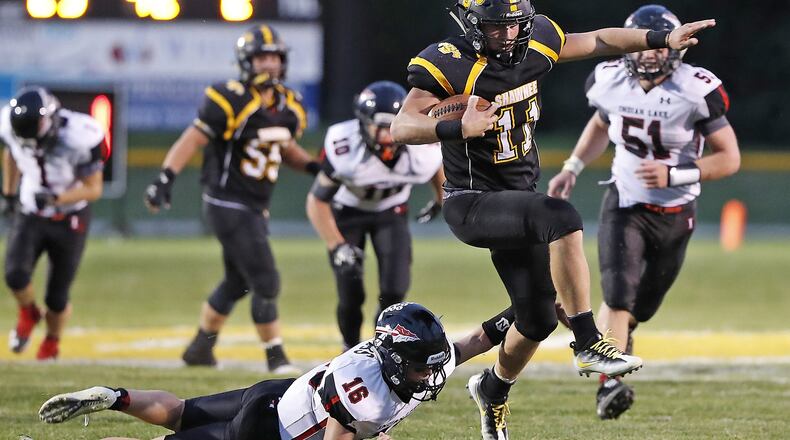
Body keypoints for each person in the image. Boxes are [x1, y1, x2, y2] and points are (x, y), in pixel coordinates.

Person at [391, 0, 715, 437]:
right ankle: (587, 340)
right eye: (495, 27)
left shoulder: (536, 39)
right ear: (470, 24)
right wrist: (455, 128)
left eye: (514, 26)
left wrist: (661, 38)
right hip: (471, 200)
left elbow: (600, 39)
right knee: (561, 217)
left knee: (537, 319)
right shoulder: (449, 61)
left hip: (520, 201)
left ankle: (492, 390)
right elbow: (402, 127)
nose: (508, 35)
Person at [547, 4, 740, 420]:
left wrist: (677, 172)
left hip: (676, 211)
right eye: (643, 47)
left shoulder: (697, 89)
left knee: (640, 310)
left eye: (657, 48)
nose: (649, 56)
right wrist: (572, 167)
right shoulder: (609, 80)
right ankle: (609, 384)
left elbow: (730, 158)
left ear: (674, 49)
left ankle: (620, 340)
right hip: (625, 201)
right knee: (617, 295)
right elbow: (602, 123)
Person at [38, 302, 516, 440]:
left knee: (184, 411)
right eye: (419, 368)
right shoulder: (366, 392)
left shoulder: (401, 363)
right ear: (394, 359)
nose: (428, 376)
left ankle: (115, 396)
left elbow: (475, 341)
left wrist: (527, 309)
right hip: (268, 430)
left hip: (278, 394)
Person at [143, 24, 321, 373]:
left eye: (273, 57)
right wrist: (165, 178)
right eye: (260, 58)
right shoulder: (230, 97)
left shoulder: (289, 105)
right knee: (266, 280)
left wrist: (316, 167)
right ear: (246, 62)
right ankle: (276, 357)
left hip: (255, 206)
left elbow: (284, 148)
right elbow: (192, 138)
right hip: (227, 202)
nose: (268, 64)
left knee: (237, 281)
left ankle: (199, 348)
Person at [306, 80, 445, 351]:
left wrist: (440, 200)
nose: (386, 135)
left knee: (395, 289)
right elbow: (317, 201)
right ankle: (349, 348)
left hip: (390, 213)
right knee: (350, 289)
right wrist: (337, 246)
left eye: (391, 126)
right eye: (379, 126)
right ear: (362, 123)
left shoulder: (421, 149)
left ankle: (381, 345)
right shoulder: (345, 146)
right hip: (347, 213)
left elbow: (435, 168)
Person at [0, 86, 105, 360]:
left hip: (71, 215)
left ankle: (51, 342)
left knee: (57, 297)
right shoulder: (9, 126)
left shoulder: (81, 135)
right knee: (15, 274)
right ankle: (29, 313)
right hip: (32, 211)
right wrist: (9, 194)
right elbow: (11, 153)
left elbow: (94, 189)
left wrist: (57, 198)